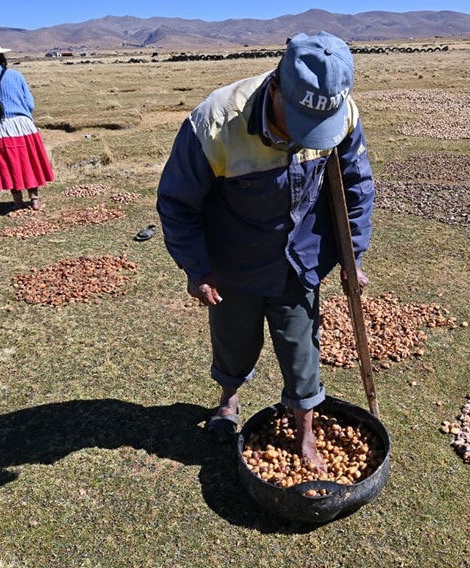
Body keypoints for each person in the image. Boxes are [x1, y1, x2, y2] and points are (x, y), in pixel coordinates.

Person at [156, 31, 375, 470]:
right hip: (233, 260)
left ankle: (305, 430)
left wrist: (354, 254)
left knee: (301, 348)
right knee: (234, 342)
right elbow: (178, 203)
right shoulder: (216, 121)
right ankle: (228, 400)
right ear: (275, 86)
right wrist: (197, 269)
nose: (302, 137)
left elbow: (355, 187)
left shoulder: (342, 112)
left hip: (301, 258)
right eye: (295, 120)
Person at [0, 37, 54, 211]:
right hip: (20, 123)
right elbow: (29, 103)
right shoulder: (15, 75)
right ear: (1, 55)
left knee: (6, 163)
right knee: (28, 160)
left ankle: (17, 202)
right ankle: (35, 199)